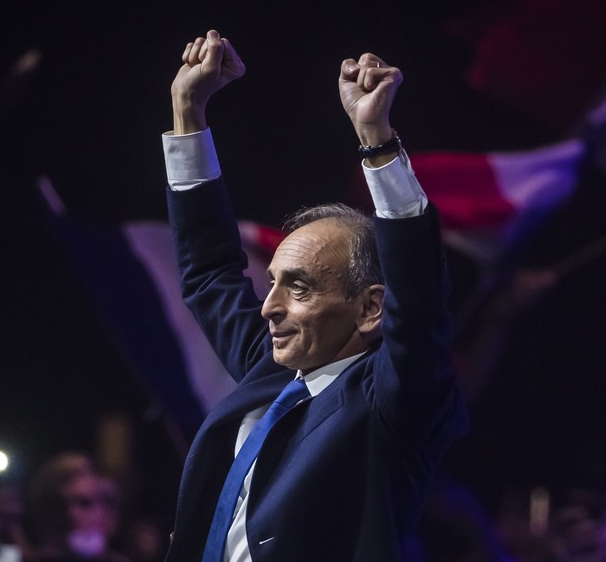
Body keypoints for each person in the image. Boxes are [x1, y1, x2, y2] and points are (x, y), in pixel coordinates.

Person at [159, 30, 470, 561]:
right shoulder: (273, 370)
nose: (269, 306)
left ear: (371, 308)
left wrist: (377, 140)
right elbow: (210, 271)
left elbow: (418, 299)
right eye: (273, 281)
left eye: (298, 287)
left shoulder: (394, 400)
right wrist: (188, 112)